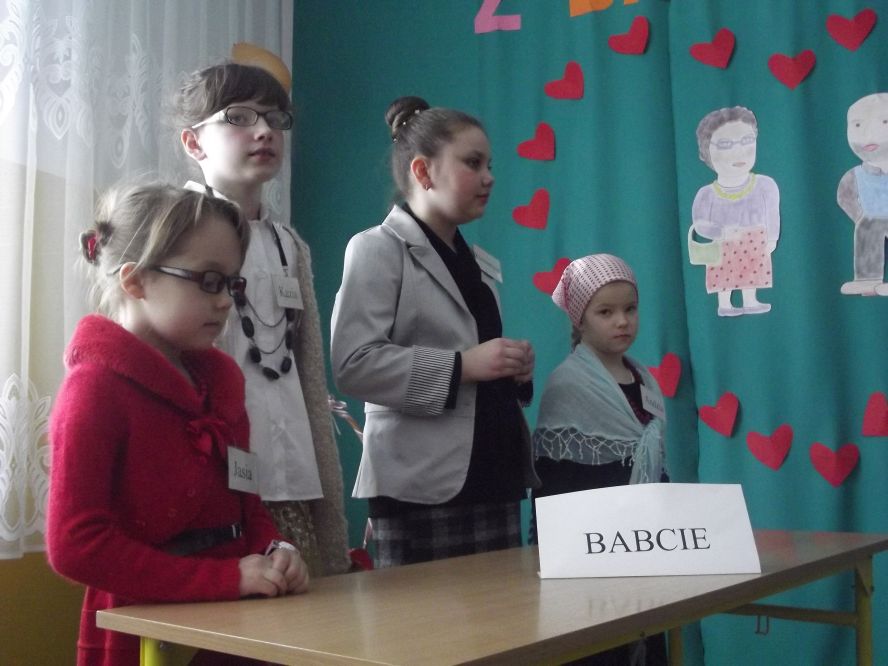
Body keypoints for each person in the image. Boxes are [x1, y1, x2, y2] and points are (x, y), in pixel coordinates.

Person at [47, 184, 309, 666]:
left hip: (239, 622)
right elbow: (75, 546)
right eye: (208, 281)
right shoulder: (94, 390)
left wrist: (275, 549)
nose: (226, 301)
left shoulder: (222, 383)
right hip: (147, 630)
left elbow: (246, 503)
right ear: (136, 281)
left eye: (231, 284)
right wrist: (225, 579)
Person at [330, 96, 539, 568]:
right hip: (420, 487)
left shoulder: (480, 264)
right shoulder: (376, 248)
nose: (489, 177)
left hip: (496, 476)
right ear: (423, 172)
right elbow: (354, 365)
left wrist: (513, 370)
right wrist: (464, 365)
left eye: (489, 165)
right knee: (425, 617)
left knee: (502, 615)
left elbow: (476, 369)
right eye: (473, 163)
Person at [173, 60, 349, 576]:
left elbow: (306, 369)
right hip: (213, 483)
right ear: (194, 143)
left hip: (292, 475)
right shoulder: (174, 232)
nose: (265, 130)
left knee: (305, 612)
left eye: (275, 118)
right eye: (239, 117)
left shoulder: (288, 243)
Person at [530, 253, 667, 665]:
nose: (622, 321)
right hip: (593, 549)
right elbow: (554, 482)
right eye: (605, 312)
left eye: (630, 309)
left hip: (645, 544)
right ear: (580, 320)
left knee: (649, 633)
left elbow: (655, 464)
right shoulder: (568, 385)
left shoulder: (644, 379)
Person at [692, 106, 780, 316]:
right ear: (706, 151)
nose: (738, 152)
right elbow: (700, 224)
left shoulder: (765, 186)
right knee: (723, 276)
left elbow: (772, 215)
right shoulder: (706, 195)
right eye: (725, 144)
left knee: (752, 274)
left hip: (754, 244)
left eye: (747, 141)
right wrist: (721, 232)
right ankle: (725, 304)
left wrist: (772, 238)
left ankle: (750, 300)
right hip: (723, 246)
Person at [837, 92, 888, 296]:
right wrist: (860, 217)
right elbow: (845, 197)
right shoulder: (857, 174)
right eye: (857, 125)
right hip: (874, 217)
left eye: (884, 122)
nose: (869, 134)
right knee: (867, 230)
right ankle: (867, 279)